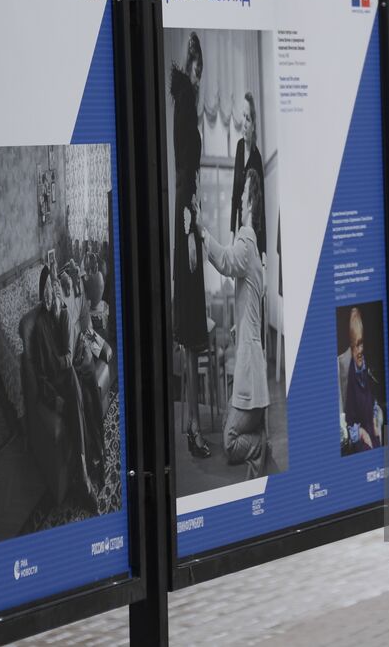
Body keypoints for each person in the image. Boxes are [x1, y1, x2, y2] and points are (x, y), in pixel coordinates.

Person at [202, 168, 271, 477]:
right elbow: (252, 301)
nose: (238, 200)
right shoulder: (256, 253)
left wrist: (203, 232)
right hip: (251, 366)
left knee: (230, 444)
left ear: (251, 203)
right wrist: (238, 325)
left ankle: (260, 443)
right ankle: (256, 428)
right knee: (225, 426)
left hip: (251, 371)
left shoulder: (248, 238)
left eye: (242, 196)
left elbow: (227, 261)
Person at [170, 33, 211, 460]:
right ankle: (194, 429)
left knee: (192, 337)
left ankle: (191, 425)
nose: (199, 74)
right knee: (193, 334)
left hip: (189, 215)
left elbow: (190, 176)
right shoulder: (185, 100)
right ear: (191, 63)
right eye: (197, 67)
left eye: (202, 69)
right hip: (186, 221)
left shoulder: (188, 101)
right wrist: (188, 232)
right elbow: (184, 173)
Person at [29, 266, 98, 510]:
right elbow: (41, 374)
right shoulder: (38, 328)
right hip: (54, 384)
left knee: (76, 388)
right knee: (74, 387)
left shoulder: (60, 315)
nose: (51, 295)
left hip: (66, 377)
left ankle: (83, 473)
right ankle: (88, 470)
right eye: (47, 291)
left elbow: (66, 354)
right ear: (42, 294)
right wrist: (52, 399)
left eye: (54, 289)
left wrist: (61, 312)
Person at [230, 92, 266, 262]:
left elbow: (261, 203)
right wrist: (231, 234)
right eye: (243, 117)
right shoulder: (238, 148)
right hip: (240, 229)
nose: (244, 124)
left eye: (248, 119)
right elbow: (235, 195)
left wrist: (264, 250)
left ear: (253, 125)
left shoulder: (257, 158)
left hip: (253, 233)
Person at [342, 307, 382, 453]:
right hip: (361, 440)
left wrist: (376, 420)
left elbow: (375, 402)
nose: (359, 351)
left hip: (374, 431)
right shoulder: (349, 378)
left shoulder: (369, 369)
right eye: (355, 346)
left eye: (361, 344)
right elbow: (349, 423)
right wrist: (362, 433)